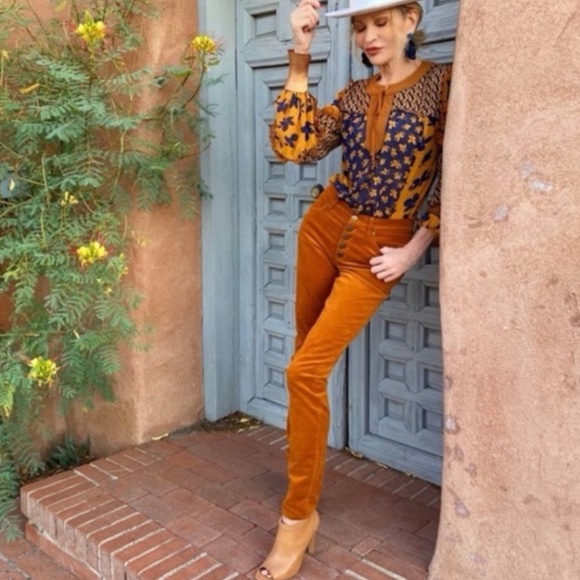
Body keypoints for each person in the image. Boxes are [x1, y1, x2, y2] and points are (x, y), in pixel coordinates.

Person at [257, 0, 452, 578]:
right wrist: (300, 51)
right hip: (324, 227)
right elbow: (294, 146)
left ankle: (296, 518)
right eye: (361, 26)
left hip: (380, 248)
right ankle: (304, 504)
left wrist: (415, 246)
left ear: (411, 20)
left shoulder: (441, 87)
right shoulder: (353, 95)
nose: (368, 35)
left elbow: (459, 173)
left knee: (303, 371)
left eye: (380, 22)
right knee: (305, 368)